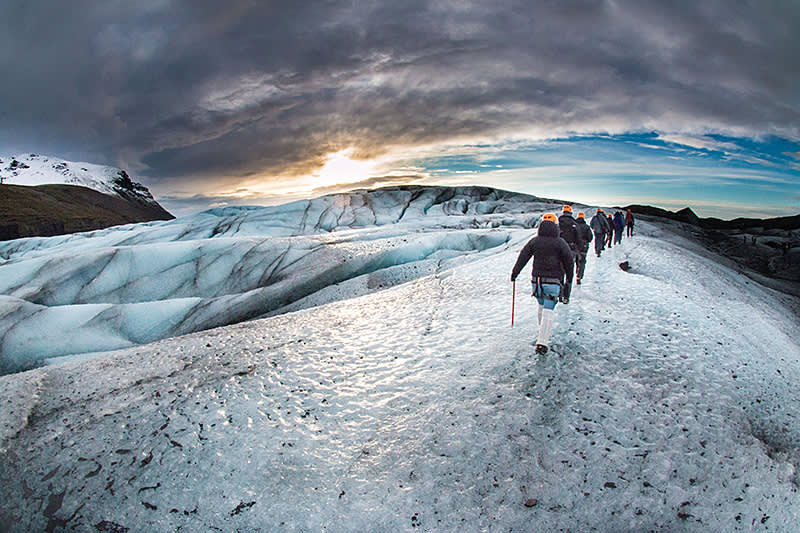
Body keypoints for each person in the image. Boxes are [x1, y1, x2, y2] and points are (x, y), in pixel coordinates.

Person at [510, 213, 575, 355]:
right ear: (556, 226)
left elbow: (523, 257)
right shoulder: (560, 243)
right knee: (548, 310)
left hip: (536, 282)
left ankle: (542, 335)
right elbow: (569, 262)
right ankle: (542, 342)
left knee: (541, 306)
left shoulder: (534, 241)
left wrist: (515, 273)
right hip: (553, 282)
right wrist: (569, 279)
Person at [558, 205, 584, 278]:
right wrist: (579, 248)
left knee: (560, 267)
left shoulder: (558, 223)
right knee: (569, 268)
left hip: (559, 247)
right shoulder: (574, 224)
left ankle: (560, 282)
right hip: (571, 248)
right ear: (570, 212)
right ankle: (567, 285)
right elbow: (578, 237)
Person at [575, 212, 593, 284]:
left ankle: (576, 269)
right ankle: (579, 276)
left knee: (576, 259)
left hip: (575, 245)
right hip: (584, 246)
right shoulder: (586, 227)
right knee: (582, 261)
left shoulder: (574, 225)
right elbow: (590, 237)